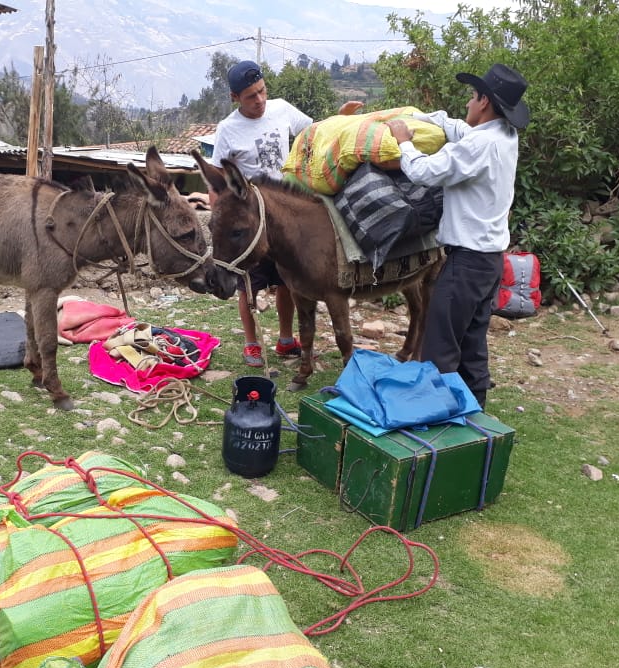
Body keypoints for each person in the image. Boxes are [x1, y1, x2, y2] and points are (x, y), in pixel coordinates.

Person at [387, 63, 530, 409]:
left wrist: (404, 140)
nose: (467, 102)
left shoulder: (479, 145)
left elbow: (422, 171)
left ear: (484, 102)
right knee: (472, 347)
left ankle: (436, 424)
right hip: (490, 262)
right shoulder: (505, 136)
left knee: (441, 347)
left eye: (471, 96)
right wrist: (429, 117)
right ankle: (475, 417)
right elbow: (461, 130)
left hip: (466, 263)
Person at [211, 59, 361, 366]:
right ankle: (252, 343)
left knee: (287, 282)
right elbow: (216, 179)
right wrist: (221, 215)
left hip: (285, 215)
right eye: (251, 96)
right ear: (235, 98)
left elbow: (315, 132)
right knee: (248, 285)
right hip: (251, 220)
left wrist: (340, 117)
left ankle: (285, 339)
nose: (260, 100)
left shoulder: (281, 109)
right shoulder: (227, 129)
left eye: (262, 91)